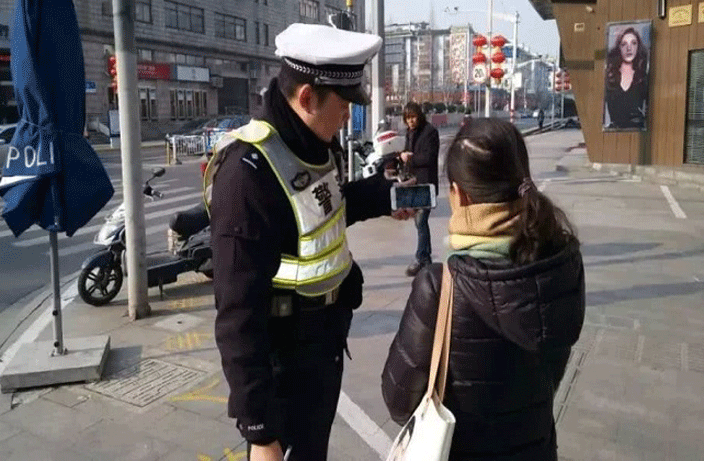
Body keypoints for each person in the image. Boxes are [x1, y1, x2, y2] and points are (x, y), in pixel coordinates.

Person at [205, 23, 413, 461]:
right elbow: (237, 315)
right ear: (305, 98)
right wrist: (259, 431)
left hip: (323, 343)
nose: (348, 117)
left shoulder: (316, 144)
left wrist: (382, 196)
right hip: (282, 367)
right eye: (344, 106)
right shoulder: (247, 174)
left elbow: (323, 214)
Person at [381, 118, 586, 460]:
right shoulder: (561, 263)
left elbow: (398, 399)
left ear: (458, 194)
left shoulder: (440, 285)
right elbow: (552, 375)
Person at [400, 102, 440, 276]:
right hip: (413, 184)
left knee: (421, 221)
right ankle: (426, 258)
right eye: (407, 118)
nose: (411, 121)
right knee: (420, 223)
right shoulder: (409, 133)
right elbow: (406, 153)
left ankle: (421, 258)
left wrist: (410, 158)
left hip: (426, 184)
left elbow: (429, 158)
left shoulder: (430, 132)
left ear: (419, 116)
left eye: (413, 117)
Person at [604, 26, 649, 129]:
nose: (629, 48)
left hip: (638, 131)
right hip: (613, 133)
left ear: (638, 47)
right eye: (624, 44)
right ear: (619, 48)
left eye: (633, 43)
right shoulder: (609, 76)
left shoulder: (643, 77)